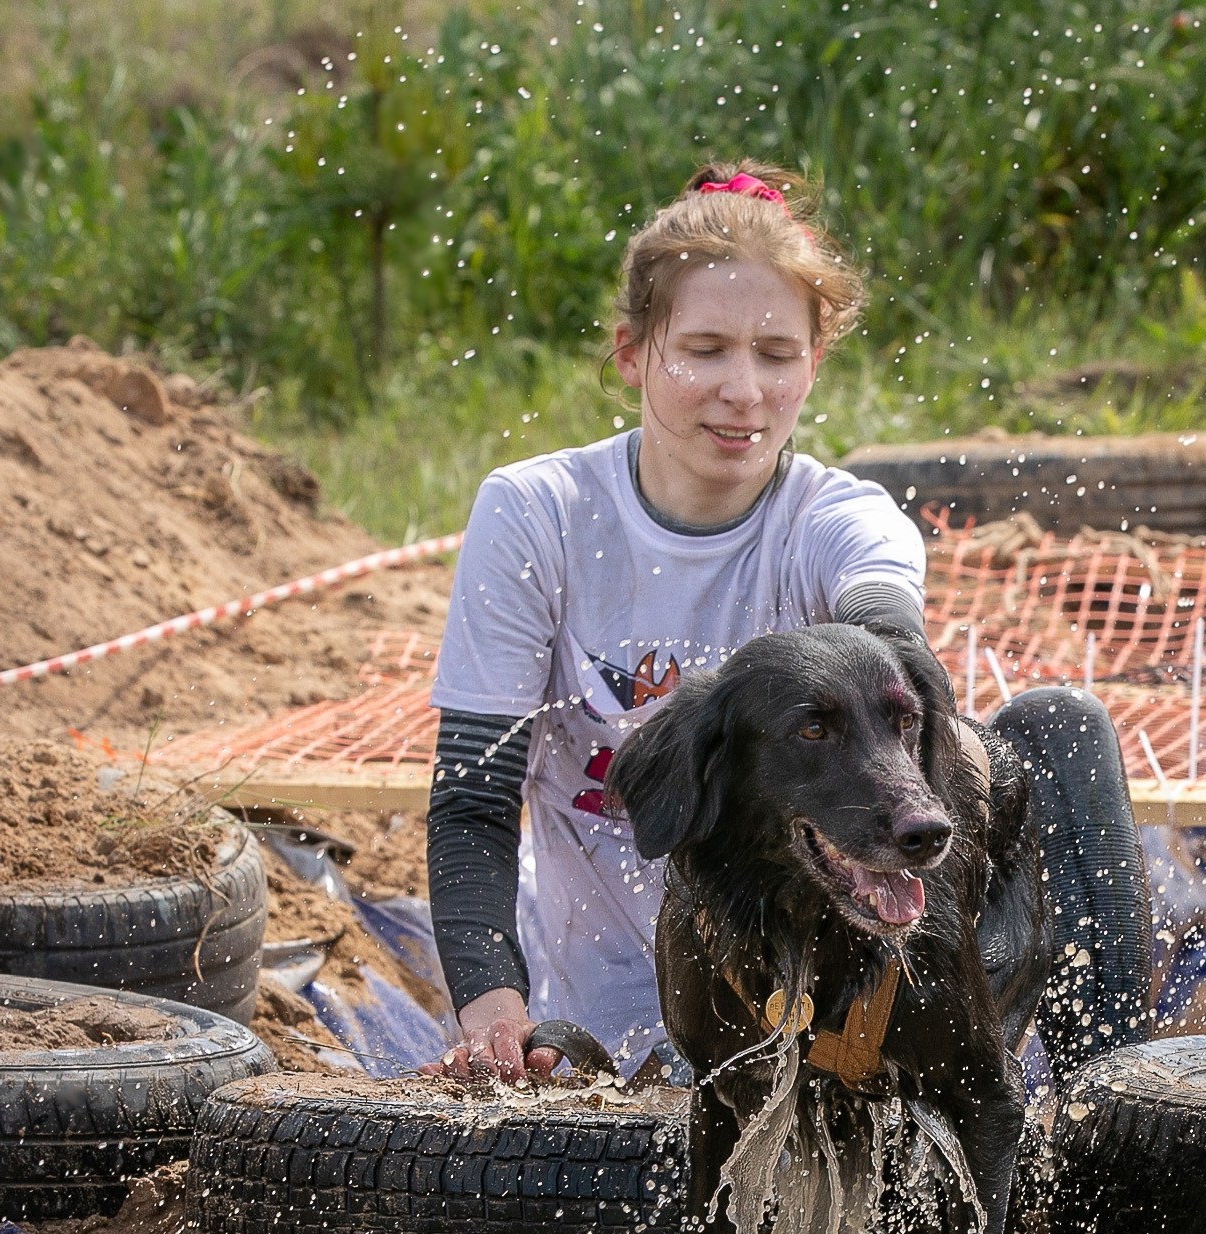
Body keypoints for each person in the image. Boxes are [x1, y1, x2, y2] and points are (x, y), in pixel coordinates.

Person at [426, 160, 1149, 1080]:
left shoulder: (841, 519)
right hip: (604, 1026)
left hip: (811, 1026)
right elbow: (472, 801)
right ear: (632, 352)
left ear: (815, 362)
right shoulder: (535, 513)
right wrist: (494, 1010)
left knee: (1062, 725)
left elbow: (889, 632)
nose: (744, 391)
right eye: (704, 350)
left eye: (776, 355)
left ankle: (1116, 1105)